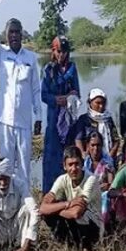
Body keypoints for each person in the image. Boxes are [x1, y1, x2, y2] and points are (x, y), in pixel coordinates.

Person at [0, 0, 42, 184]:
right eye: (11, 32)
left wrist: (38, 117)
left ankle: (26, 207)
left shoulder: (31, 58)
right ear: (6, 35)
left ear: (22, 34)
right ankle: (7, 205)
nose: (14, 35)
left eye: (17, 32)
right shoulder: (1, 54)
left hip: (25, 122)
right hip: (5, 120)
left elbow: (36, 89)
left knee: (25, 167)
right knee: (6, 166)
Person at [40, 146, 103, 251]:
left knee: (76, 215)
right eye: (70, 165)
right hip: (73, 222)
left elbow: (76, 213)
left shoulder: (90, 180)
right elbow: (42, 208)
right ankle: (69, 248)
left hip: (92, 228)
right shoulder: (62, 179)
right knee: (47, 215)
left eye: (77, 164)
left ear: (82, 164)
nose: (74, 169)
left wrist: (56, 209)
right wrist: (68, 204)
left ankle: (86, 249)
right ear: (64, 166)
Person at [41, 35, 81, 192]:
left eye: (64, 51)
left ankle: (69, 192)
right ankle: (49, 193)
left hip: (69, 120)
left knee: (69, 155)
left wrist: (70, 97)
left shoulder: (72, 68)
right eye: (58, 51)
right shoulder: (48, 70)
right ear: (53, 51)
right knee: (52, 158)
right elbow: (44, 96)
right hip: (53, 120)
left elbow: (77, 92)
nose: (61, 55)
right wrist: (59, 99)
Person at [71, 88, 121, 160]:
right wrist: (83, 154)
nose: (101, 106)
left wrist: (110, 156)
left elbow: (116, 140)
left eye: (103, 103)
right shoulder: (84, 119)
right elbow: (78, 140)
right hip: (90, 158)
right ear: (90, 103)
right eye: (98, 103)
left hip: (108, 158)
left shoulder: (108, 119)